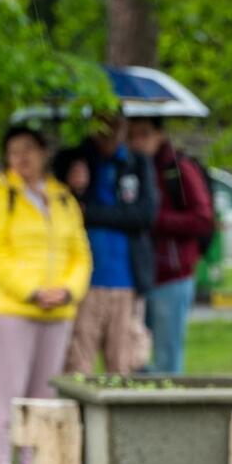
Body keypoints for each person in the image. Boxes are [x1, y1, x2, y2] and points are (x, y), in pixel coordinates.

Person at [0, 125, 92, 464]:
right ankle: (1, 463)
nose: (22, 158)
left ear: (43, 152)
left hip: (57, 310)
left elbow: (80, 253)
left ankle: (35, 463)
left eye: (28, 149)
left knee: (43, 392)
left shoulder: (62, 197)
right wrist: (31, 290)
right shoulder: (1, 194)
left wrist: (68, 290)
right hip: (12, 309)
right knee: (9, 389)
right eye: (14, 152)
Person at [57, 113, 158, 374]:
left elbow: (145, 215)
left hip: (127, 280)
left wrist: (91, 212)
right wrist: (76, 189)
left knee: (125, 364)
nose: (108, 131)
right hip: (85, 282)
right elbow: (62, 213)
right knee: (78, 363)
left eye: (114, 124)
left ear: (124, 126)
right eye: (101, 124)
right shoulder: (73, 161)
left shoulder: (137, 162)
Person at [128, 116, 214, 373]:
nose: (137, 142)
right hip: (137, 275)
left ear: (160, 135)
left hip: (171, 275)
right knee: (134, 357)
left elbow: (203, 218)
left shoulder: (177, 168)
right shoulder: (128, 169)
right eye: (131, 136)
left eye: (144, 134)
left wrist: (155, 219)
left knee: (166, 358)